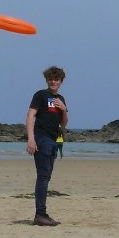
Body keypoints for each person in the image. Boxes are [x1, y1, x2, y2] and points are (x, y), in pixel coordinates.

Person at [26, 66, 68, 226]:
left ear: (61, 81)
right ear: (46, 80)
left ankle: (42, 214)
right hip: (41, 139)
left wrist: (64, 109)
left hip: (54, 140)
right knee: (43, 177)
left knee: (47, 177)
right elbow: (30, 115)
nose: (53, 82)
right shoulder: (41, 95)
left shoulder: (61, 99)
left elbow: (63, 124)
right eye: (50, 79)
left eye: (56, 79)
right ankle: (40, 215)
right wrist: (31, 139)